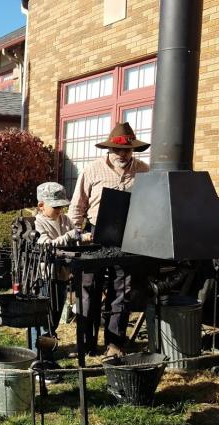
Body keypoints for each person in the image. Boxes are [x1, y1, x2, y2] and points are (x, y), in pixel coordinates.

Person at [68, 122, 150, 358]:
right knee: (88, 289)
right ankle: (85, 342)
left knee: (121, 290)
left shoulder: (144, 170)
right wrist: (76, 235)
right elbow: (78, 205)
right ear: (109, 150)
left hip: (127, 234)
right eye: (118, 150)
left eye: (127, 150)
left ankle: (114, 343)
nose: (123, 154)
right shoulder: (92, 170)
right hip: (94, 233)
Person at [31, 182, 93, 362]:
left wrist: (82, 238)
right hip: (46, 277)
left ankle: (48, 349)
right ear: (41, 205)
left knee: (56, 315)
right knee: (44, 317)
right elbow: (45, 244)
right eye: (55, 206)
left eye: (61, 206)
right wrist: (70, 237)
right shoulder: (38, 223)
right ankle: (39, 355)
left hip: (63, 275)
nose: (59, 209)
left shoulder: (65, 220)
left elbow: (74, 237)